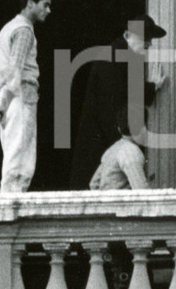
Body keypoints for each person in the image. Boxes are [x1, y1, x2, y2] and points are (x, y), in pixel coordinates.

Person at [69, 13, 167, 188]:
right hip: (103, 141)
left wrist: (151, 87)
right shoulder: (113, 57)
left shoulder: (122, 55)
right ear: (129, 36)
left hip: (108, 142)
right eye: (146, 39)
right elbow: (112, 104)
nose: (150, 44)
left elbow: (124, 91)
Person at [0, 0, 55, 193]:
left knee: (13, 155)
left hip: (8, 101)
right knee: (20, 161)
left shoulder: (8, 28)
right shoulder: (24, 30)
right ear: (30, 3)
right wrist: (6, 98)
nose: (48, 10)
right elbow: (14, 69)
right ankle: (10, 212)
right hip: (20, 98)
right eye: (44, 4)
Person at [89, 106, 150, 190]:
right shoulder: (131, 151)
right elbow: (141, 190)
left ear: (119, 129)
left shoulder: (113, 149)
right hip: (121, 202)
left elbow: (94, 184)